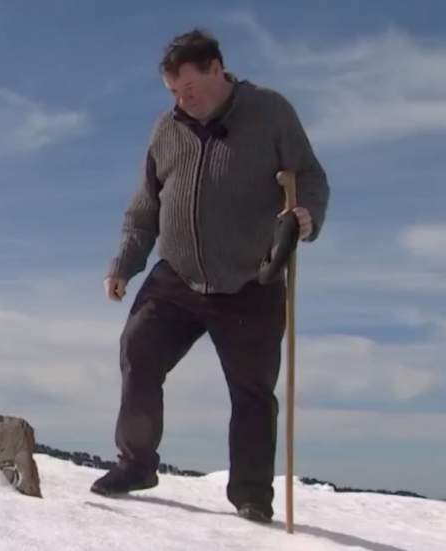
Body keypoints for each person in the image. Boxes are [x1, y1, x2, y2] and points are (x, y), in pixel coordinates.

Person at [91, 28, 330, 524]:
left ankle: (251, 495)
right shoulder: (166, 129)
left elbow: (309, 176)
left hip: (252, 279)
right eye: (174, 93)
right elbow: (144, 209)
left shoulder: (269, 112)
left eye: (190, 90)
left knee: (251, 391)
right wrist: (124, 266)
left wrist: (305, 213)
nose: (183, 100)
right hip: (177, 277)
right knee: (138, 352)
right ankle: (136, 465)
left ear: (217, 70)